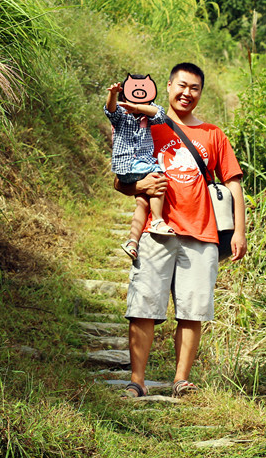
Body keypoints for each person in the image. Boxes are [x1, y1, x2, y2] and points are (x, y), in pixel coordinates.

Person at [113, 62, 247, 399]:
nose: (187, 93)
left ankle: (181, 379)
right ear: (169, 87)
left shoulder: (213, 135)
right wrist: (140, 184)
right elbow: (121, 180)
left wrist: (240, 232)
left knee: (193, 310)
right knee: (143, 306)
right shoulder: (145, 126)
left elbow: (234, 185)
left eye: (195, 88)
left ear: (201, 93)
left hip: (202, 232)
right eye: (182, 86)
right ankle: (137, 380)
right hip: (156, 231)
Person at [104, 75, 175, 260]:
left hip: (135, 169)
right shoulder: (120, 117)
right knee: (159, 175)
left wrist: (137, 107)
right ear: (124, 98)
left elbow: (159, 113)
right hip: (129, 166)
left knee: (142, 203)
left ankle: (132, 242)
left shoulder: (148, 116)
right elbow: (110, 110)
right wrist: (113, 95)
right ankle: (158, 220)